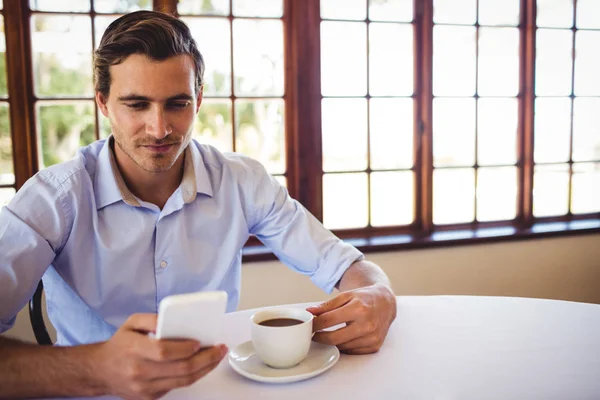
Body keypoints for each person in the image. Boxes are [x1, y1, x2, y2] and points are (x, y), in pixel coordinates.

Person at [0, 10, 397, 400]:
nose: (159, 129)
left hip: (217, 389)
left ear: (199, 98)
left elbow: (344, 265)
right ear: (103, 103)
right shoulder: (53, 199)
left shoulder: (242, 181)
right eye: (136, 105)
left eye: (177, 104)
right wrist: (97, 367)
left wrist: (380, 294)